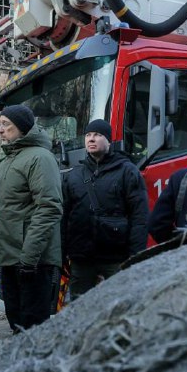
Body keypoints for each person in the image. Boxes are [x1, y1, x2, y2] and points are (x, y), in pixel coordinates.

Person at [0, 105, 62, 332]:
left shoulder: (40, 158)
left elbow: (49, 208)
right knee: (17, 323)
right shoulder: (8, 159)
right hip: (11, 258)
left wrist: (29, 257)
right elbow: (1, 212)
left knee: (34, 328)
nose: (0, 131)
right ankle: (21, 366)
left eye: (6, 125)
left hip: (33, 261)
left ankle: (38, 368)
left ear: (22, 128)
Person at [62, 119, 149, 300]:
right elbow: (64, 216)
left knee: (119, 306)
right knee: (79, 310)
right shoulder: (74, 175)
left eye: (97, 135)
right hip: (81, 257)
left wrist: (136, 256)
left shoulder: (127, 171)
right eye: (88, 135)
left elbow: (139, 217)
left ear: (109, 141)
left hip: (117, 257)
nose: (91, 139)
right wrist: (62, 252)